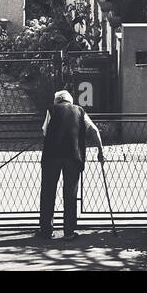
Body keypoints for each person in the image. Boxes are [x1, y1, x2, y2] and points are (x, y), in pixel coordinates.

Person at [35, 89, 104, 240]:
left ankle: (46, 231)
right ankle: (69, 232)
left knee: (48, 192)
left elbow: (45, 131)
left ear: (57, 100)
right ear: (70, 101)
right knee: (70, 194)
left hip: (52, 156)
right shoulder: (80, 110)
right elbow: (93, 129)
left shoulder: (51, 109)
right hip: (73, 156)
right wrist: (100, 150)